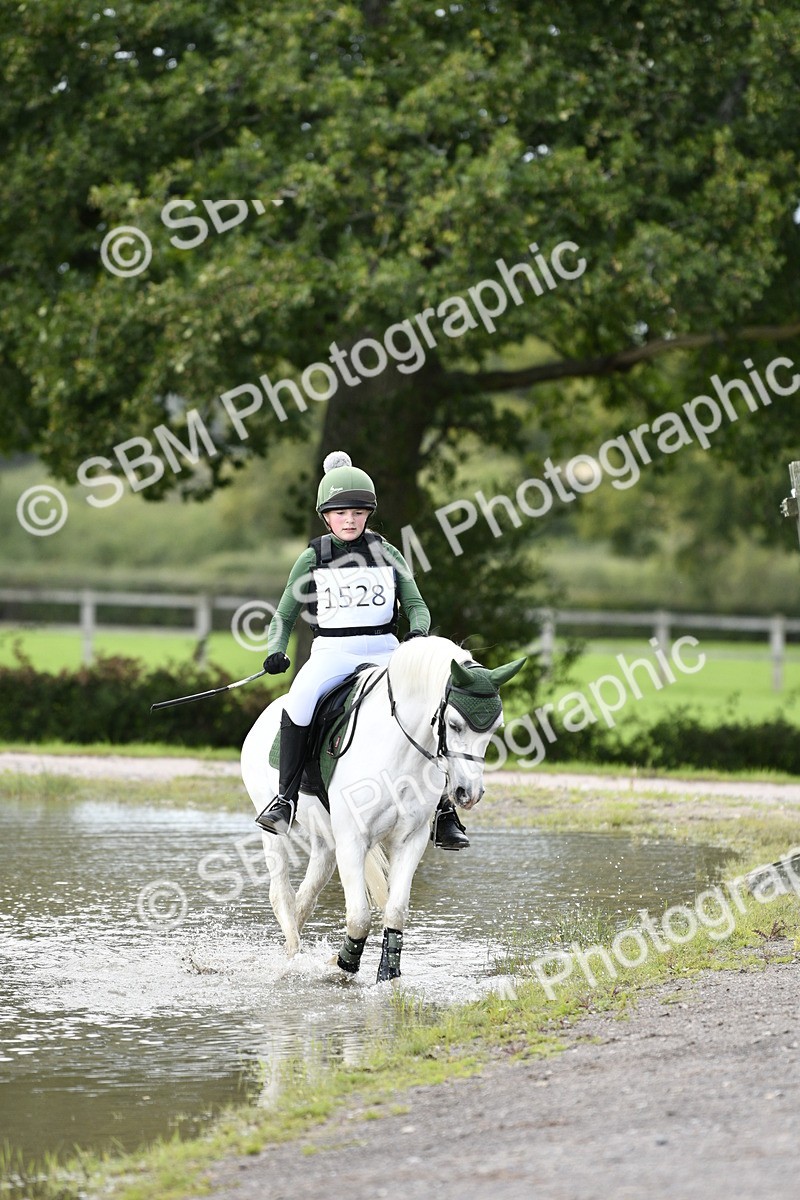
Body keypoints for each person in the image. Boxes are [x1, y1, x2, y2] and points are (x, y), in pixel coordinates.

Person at [254, 450, 470, 850]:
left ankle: (443, 810)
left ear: (368, 514)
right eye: (340, 514)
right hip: (333, 654)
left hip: (386, 652)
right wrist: (276, 650)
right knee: (299, 702)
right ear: (326, 517)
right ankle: (284, 800)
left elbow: (417, 605)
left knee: (428, 711)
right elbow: (283, 616)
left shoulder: (388, 554)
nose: (349, 520)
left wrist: (417, 635)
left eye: (356, 512)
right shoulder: (312, 558)